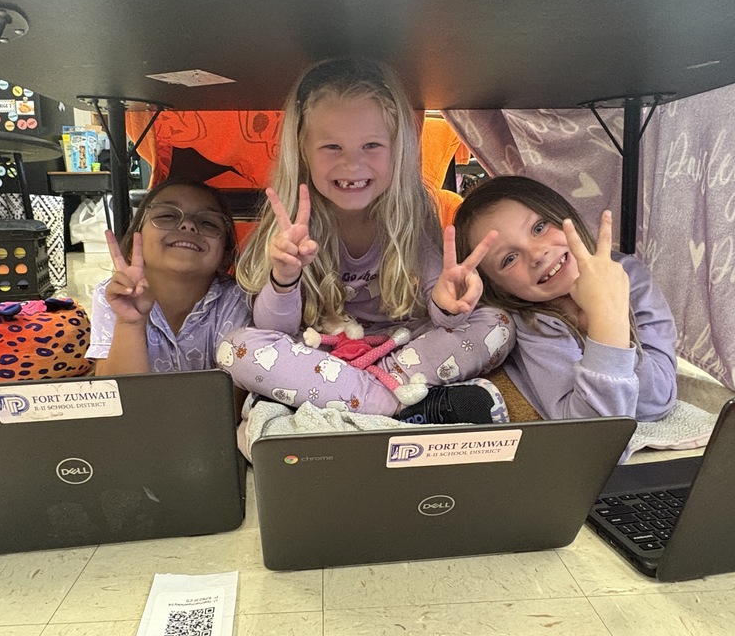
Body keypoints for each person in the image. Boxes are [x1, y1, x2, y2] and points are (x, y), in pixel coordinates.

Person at [215, 56, 514, 423]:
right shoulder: (289, 223)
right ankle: (394, 405)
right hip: (321, 354)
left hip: (400, 349)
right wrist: (284, 278)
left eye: (371, 146)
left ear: (397, 149)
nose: (352, 165)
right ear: (304, 153)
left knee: (497, 324)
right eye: (332, 148)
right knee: (236, 348)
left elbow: (443, 319)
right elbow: (274, 332)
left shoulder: (410, 214)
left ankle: (360, 398)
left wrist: (447, 302)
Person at [453, 175, 677, 422]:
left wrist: (609, 319)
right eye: (509, 259)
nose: (536, 254)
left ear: (563, 213)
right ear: (500, 290)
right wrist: (605, 324)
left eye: (539, 228)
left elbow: (657, 401)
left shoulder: (630, 275)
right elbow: (591, 432)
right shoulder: (529, 320)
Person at [86, 180, 251, 375]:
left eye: (208, 222)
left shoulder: (237, 299)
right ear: (132, 246)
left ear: (225, 255)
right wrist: (129, 323)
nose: (188, 225)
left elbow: (234, 397)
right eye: (167, 215)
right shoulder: (115, 295)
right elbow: (115, 394)